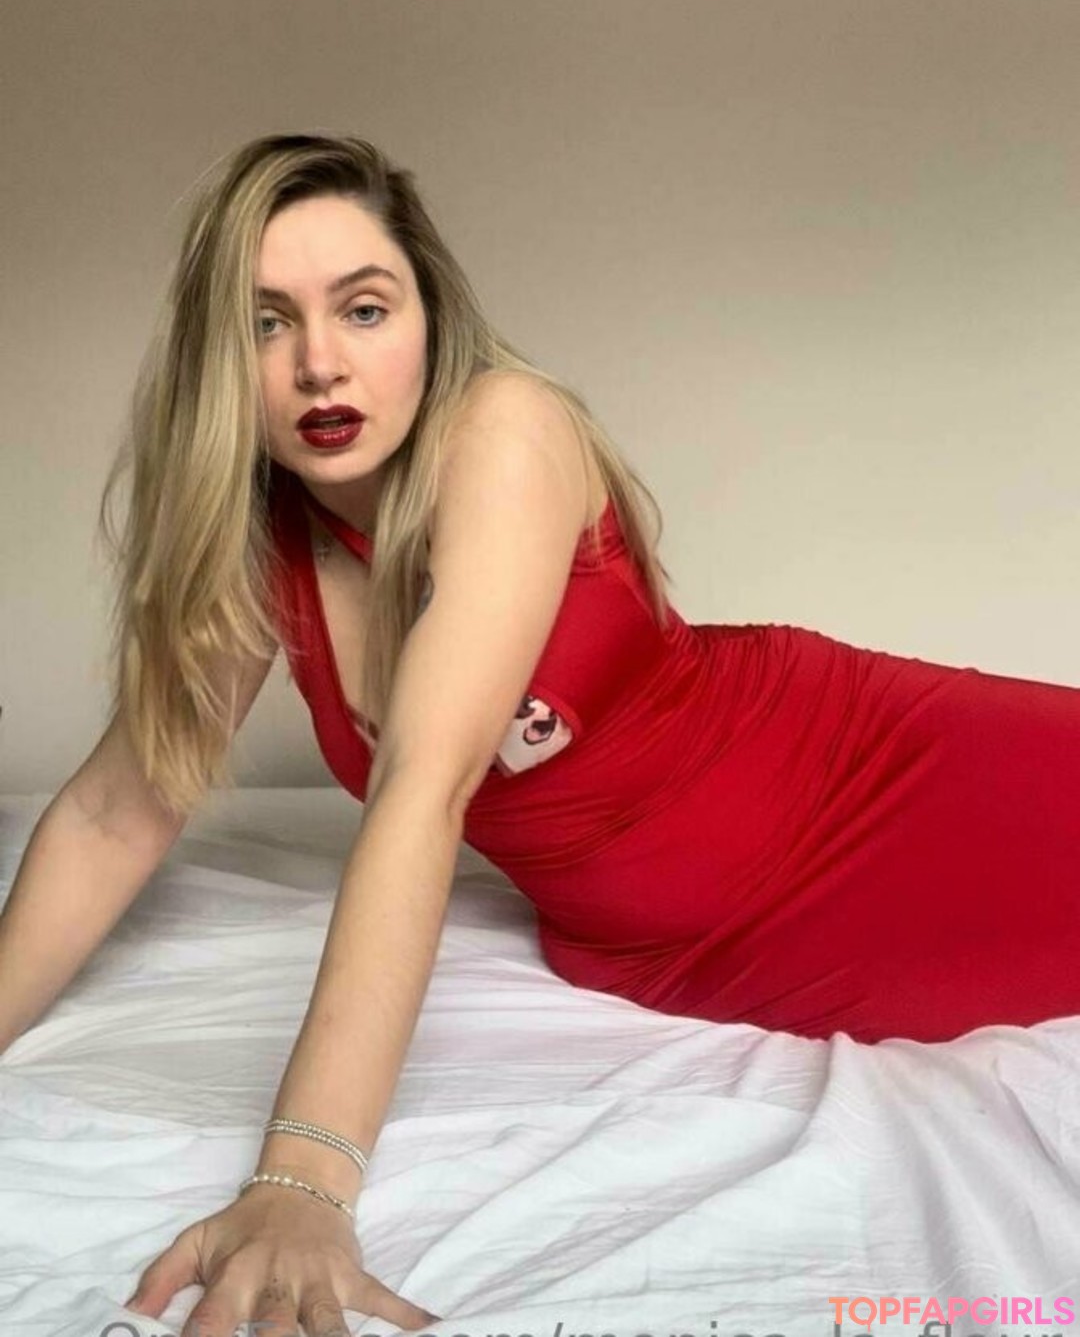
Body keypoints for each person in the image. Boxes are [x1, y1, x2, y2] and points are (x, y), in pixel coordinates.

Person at [1, 132, 1077, 1336]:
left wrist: (302, 1180)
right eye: (266, 323)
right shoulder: (264, 553)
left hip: (877, 779)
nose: (319, 363)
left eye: (364, 308)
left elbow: (424, 786)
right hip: (681, 950)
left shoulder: (505, 432)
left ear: (428, 317)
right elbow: (116, 812)